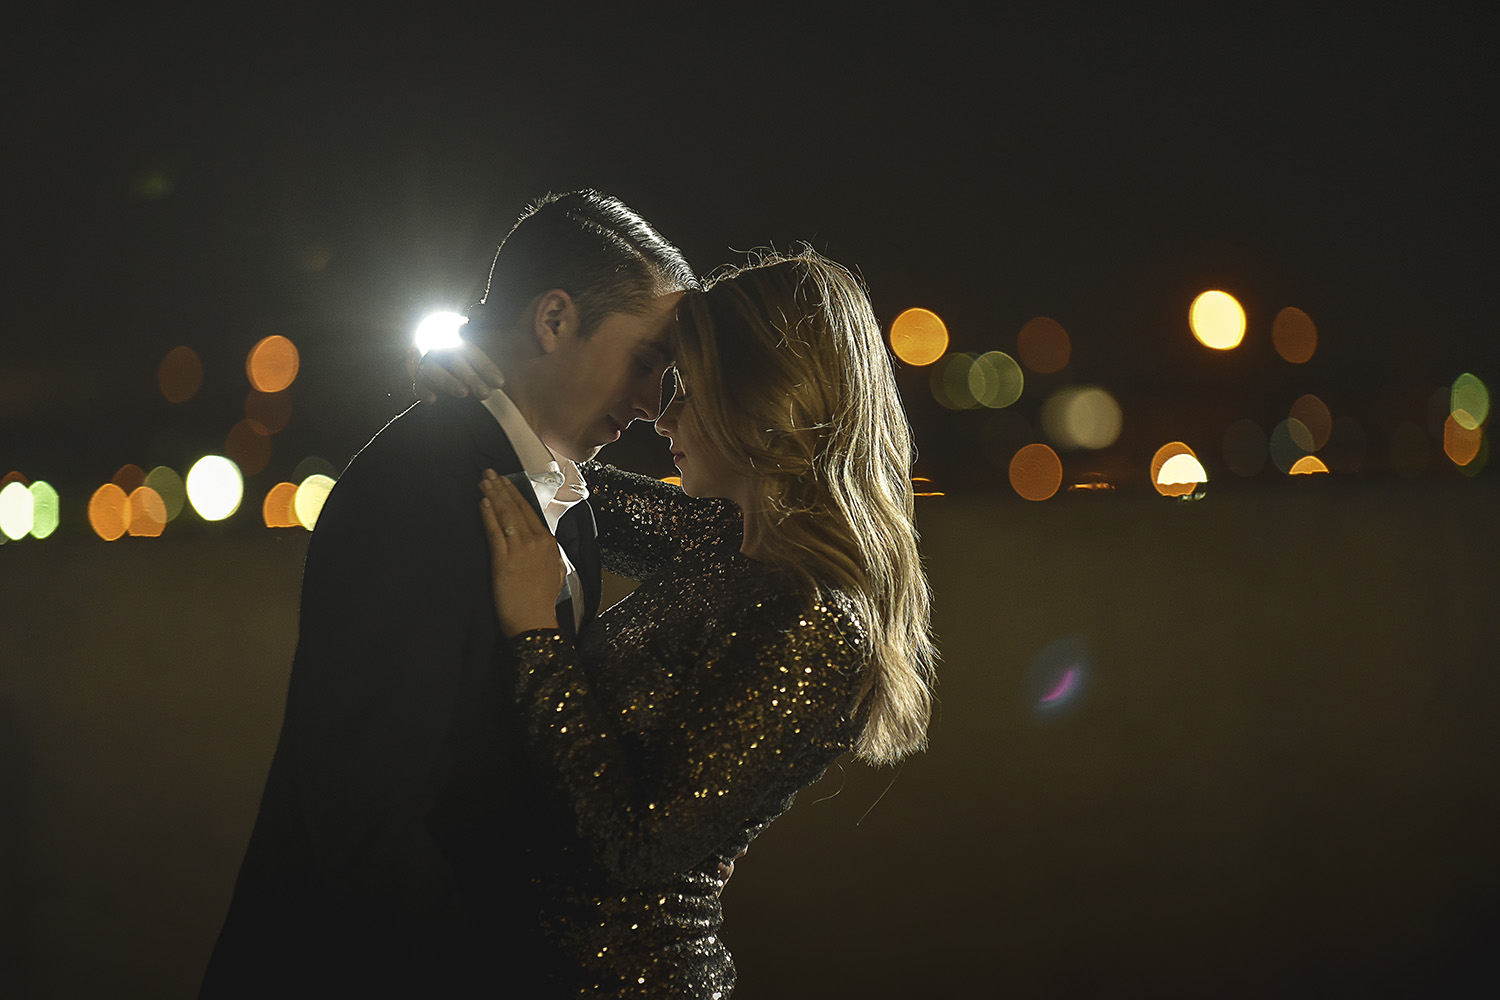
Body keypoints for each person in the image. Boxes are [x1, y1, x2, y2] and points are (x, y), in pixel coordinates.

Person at [199, 190, 695, 998]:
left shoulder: (559, 494)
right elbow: (364, 816)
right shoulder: (419, 492)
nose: (650, 405)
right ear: (555, 319)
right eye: (645, 363)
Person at [420, 249, 937, 996]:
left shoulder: (818, 624)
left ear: (765, 400)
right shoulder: (721, 542)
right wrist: (469, 401)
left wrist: (537, 636)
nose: (662, 416)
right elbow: (552, 484)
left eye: (687, 391)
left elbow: (636, 850)